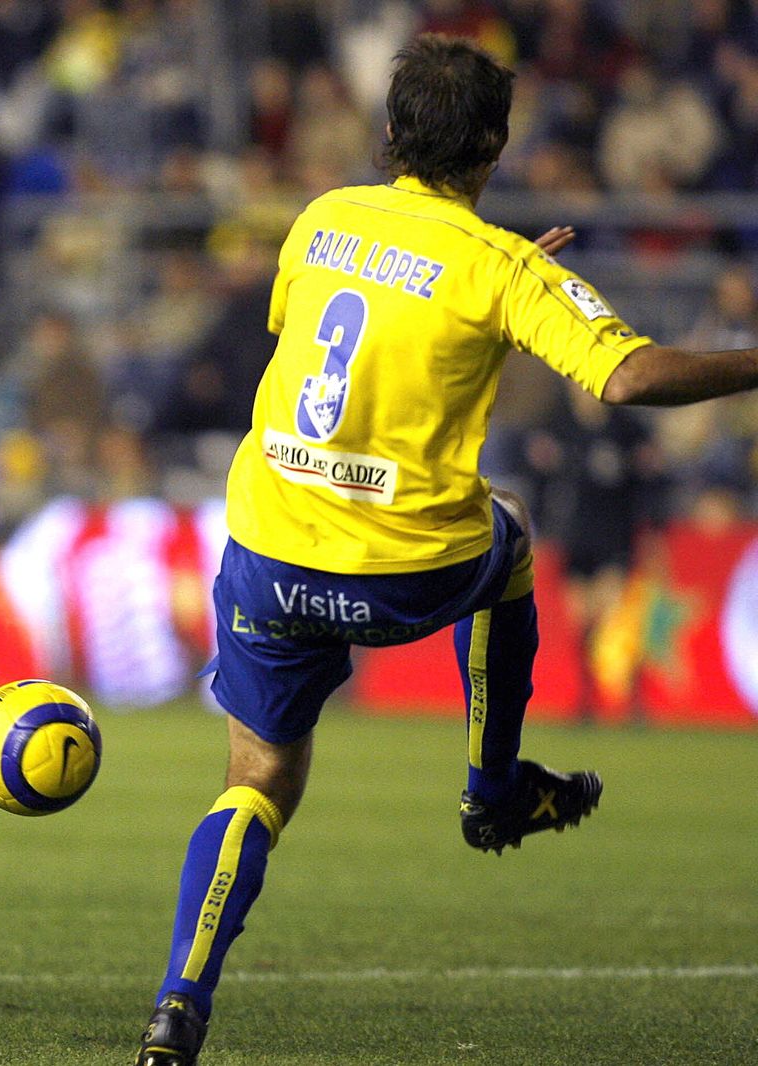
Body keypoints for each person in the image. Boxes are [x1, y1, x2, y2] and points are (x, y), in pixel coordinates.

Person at [136, 36, 758, 1066]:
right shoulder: (500, 266)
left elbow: (341, 323)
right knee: (505, 529)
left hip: (269, 552)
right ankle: (491, 786)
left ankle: (177, 1005)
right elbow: (631, 379)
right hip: (399, 574)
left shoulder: (322, 217)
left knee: (255, 779)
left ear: (388, 134)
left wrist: (483, 291)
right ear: (495, 147)